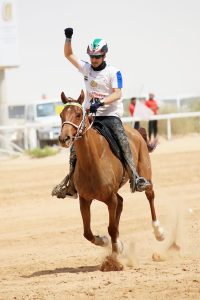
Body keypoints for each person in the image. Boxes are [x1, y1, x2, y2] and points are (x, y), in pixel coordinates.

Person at [54, 27, 150, 198]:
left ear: (104, 55)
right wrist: (68, 38)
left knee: (122, 140)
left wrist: (100, 102)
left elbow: (118, 93)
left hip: (111, 116)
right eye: (91, 56)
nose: (94, 59)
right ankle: (71, 183)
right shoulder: (86, 68)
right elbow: (68, 55)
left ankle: (135, 177)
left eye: (97, 56)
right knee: (75, 146)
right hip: (91, 117)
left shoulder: (114, 72)